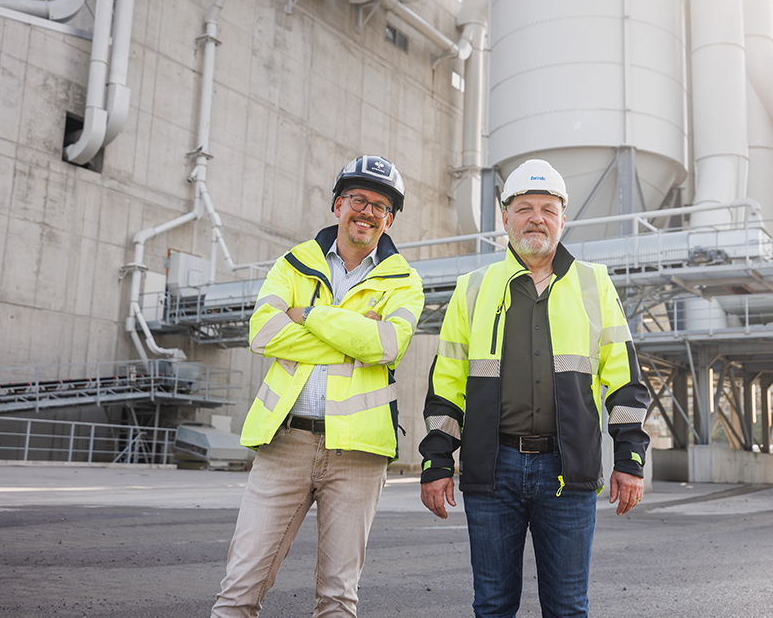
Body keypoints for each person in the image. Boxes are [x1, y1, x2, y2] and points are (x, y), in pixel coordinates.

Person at [418, 158, 651, 618]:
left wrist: (630, 458)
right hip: (493, 470)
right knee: (492, 606)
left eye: (548, 208)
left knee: (567, 607)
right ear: (505, 217)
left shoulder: (594, 284)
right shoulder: (473, 289)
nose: (536, 218)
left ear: (563, 218)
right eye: (525, 207)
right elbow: (447, 384)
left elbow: (624, 380)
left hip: (567, 470)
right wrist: (436, 460)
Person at [212, 155, 424, 618]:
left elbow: (386, 346)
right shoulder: (293, 263)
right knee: (238, 591)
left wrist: (307, 316)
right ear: (337, 205)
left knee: (337, 599)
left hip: (359, 455)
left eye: (380, 206)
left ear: (389, 220)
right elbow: (263, 334)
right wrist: (354, 336)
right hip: (284, 443)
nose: (367, 212)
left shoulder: (406, 282)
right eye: (358, 200)